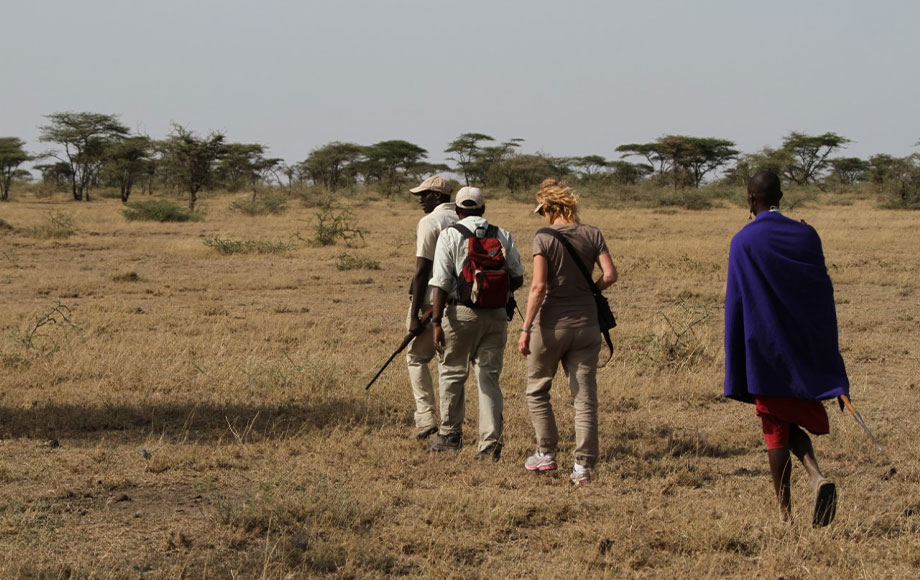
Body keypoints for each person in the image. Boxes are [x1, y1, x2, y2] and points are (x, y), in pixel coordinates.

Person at [724, 171, 849, 526]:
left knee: (774, 426)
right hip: (800, 345)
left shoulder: (743, 241)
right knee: (784, 417)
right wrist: (829, 358)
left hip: (763, 346)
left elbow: (735, 301)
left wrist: (735, 354)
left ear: (750, 199)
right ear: (782, 195)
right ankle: (815, 477)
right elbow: (820, 294)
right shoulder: (807, 234)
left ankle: (786, 514)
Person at [517, 179, 618, 486]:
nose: (541, 217)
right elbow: (610, 275)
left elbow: (538, 286)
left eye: (542, 211)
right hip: (587, 326)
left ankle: (546, 453)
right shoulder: (593, 233)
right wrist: (590, 290)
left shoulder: (543, 238)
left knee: (537, 389)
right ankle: (583, 467)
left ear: (551, 208)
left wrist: (525, 329)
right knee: (584, 398)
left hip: (550, 326)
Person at [428, 186, 525, 460]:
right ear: (483, 209)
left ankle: (450, 435)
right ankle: (490, 445)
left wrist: (436, 322)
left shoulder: (450, 234)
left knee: (452, 373)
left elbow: (441, 282)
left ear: (458, 211)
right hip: (495, 316)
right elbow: (517, 276)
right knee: (489, 380)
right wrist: (497, 290)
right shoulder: (502, 235)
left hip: (460, 315)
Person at [405, 176, 457, 440]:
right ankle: (450, 426)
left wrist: (414, 316)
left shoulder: (430, 222)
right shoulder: (462, 219)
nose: (420, 199)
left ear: (437, 197)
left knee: (415, 357)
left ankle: (426, 419)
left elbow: (422, 270)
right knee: (449, 364)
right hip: (460, 301)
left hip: (429, 302)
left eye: (424, 194)